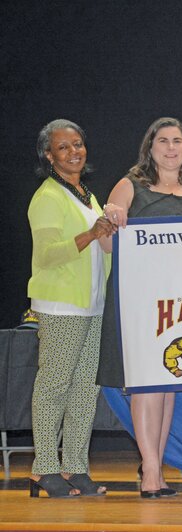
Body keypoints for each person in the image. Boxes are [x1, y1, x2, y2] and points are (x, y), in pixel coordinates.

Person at [97, 117, 182, 498]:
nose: (170, 148)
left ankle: (156, 467)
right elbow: (106, 245)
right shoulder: (130, 187)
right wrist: (109, 223)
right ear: (150, 148)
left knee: (167, 385)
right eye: (162, 141)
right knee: (148, 385)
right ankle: (150, 472)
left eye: (177, 141)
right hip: (141, 301)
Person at [27, 119, 115, 498]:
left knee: (85, 390)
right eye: (63, 147)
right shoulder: (47, 196)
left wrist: (105, 234)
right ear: (49, 155)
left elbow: (98, 246)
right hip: (61, 306)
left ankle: (75, 467)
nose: (74, 152)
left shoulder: (85, 195)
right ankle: (43, 468)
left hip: (91, 306)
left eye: (78, 144)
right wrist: (91, 234)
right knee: (54, 387)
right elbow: (46, 255)